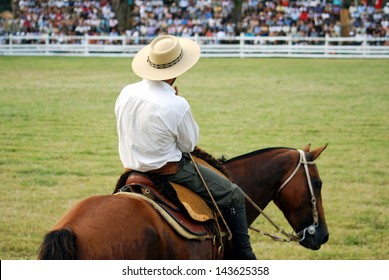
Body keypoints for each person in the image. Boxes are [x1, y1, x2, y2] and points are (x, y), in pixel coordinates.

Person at [115, 35, 256, 260]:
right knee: (234, 195)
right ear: (176, 70)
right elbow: (188, 145)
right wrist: (176, 103)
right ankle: (244, 257)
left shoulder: (127, 92)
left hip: (132, 169)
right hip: (170, 170)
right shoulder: (176, 104)